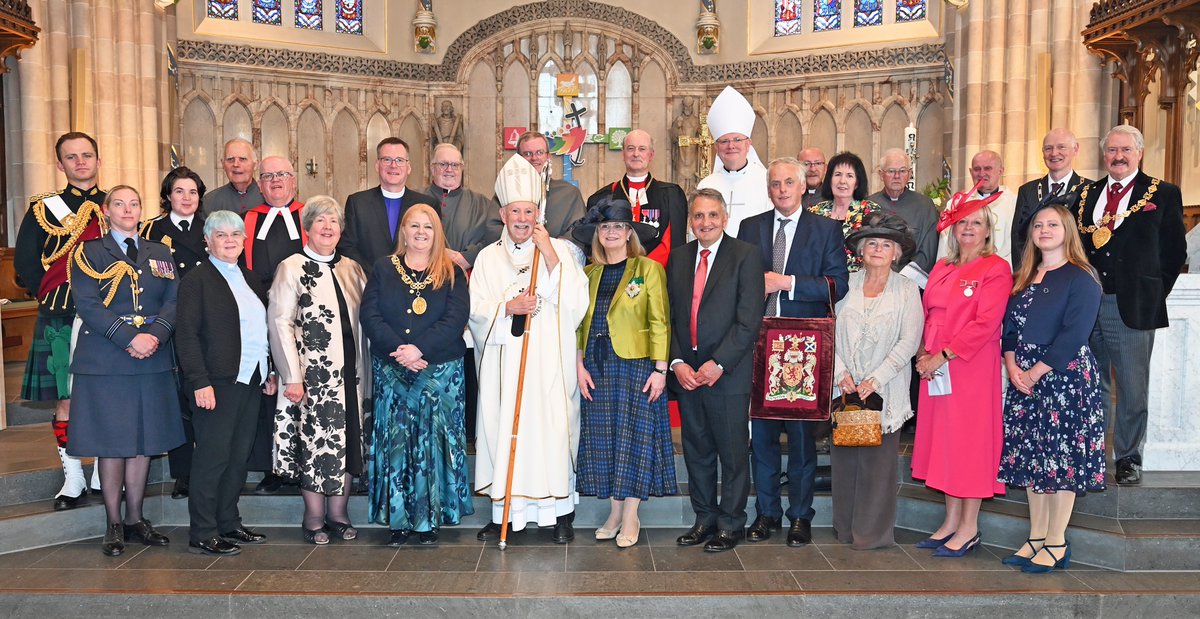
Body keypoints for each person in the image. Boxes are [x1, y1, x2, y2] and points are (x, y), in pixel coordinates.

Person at [470, 155, 589, 544]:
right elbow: (475, 310)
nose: (522, 218)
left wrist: (550, 255)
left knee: (551, 434)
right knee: (505, 433)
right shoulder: (488, 258)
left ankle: (561, 515)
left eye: (529, 211)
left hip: (549, 366)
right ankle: (504, 513)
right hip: (506, 365)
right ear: (503, 214)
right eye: (515, 211)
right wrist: (509, 307)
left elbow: (577, 304)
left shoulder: (560, 252)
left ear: (539, 214)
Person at [737, 158, 849, 548]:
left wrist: (786, 283)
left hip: (803, 346)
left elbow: (836, 284)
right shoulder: (750, 228)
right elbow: (738, 282)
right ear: (768, 189)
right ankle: (766, 513)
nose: (782, 190)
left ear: (803, 187)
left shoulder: (826, 229)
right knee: (762, 438)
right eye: (775, 183)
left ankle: (800, 515)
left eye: (789, 182)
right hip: (760, 343)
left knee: (802, 440)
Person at [67, 185, 184, 556]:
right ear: (106, 210)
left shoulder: (159, 251)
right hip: (107, 358)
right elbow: (87, 303)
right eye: (119, 204)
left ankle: (135, 518)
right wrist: (129, 338)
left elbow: (173, 300)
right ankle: (113, 523)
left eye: (134, 203)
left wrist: (155, 336)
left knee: (144, 441)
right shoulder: (88, 252)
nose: (128, 210)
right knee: (112, 442)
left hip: (152, 356)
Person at [1075, 124, 1186, 485]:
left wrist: (1151, 293)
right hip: (1087, 305)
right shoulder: (1086, 194)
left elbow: (1174, 251)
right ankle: (1092, 452)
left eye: (1125, 150)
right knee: (1091, 383)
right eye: (1112, 150)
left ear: (1139, 153)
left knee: (1132, 386)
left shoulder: (1163, 193)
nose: (1118, 156)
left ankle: (1127, 457)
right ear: (1103, 154)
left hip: (1133, 306)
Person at [997, 203, 1105, 573]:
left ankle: (1057, 541)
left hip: (1064, 378)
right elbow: (1009, 330)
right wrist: (1013, 366)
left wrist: (1035, 372)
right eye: (1038, 225)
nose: (1044, 230)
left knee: (1061, 461)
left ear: (1067, 231)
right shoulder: (1024, 275)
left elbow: (1075, 334)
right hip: (1024, 378)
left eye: (1053, 224)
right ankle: (1036, 536)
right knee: (1033, 459)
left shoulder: (1081, 277)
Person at [361, 204, 473, 547]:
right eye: (415, 226)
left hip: (439, 370)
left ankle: (429, 520)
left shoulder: (452, 272)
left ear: (437, 233)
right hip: (393, 367)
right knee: (397, 443)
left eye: (428, 226)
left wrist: (419, 349)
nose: (421, 232)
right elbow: (370, 315)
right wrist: (401, 350)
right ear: (403, 231)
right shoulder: (383, 268)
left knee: (433, 444)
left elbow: (456, 318)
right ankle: (398, 520)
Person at [911, 189, 1012, 557]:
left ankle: (969, 527)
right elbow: (928, 313)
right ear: (953, 229)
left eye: (977, 223)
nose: (969, 228)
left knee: (969, 444)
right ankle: (951, 521)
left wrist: (942, 355)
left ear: (987, 231)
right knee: (945, 442)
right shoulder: (942, 267)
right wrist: (923, 353)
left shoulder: (996, 268)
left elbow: (986, 322)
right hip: (935, 368)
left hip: (969, 366)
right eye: (963, 222)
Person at [571, 194, 676, 548]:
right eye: (605, 227)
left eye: (619, 226)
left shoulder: (648, 270)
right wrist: (579, 364)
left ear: (630, 232)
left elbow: (660, 320)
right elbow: (578, 325)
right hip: (597, 369)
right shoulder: (588, 274)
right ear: (597, 234)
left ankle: (631, 515)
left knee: (634, 439)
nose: (611, 232)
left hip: (637, 366)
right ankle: (614, 513)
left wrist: (660, 369)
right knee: (606, 441)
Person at [668, 188, 765, 553]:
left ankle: (730, 523)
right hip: (688, 376)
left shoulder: (745, 256)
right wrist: (677, 362)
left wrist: (719, 363)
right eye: (698, 216)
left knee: (733, 454)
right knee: (697, 453)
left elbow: (748, 320)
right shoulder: (679, 258)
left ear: (725, 218)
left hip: (727, 374)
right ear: (690, 222)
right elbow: (669, 316)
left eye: (712, 215)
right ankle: (704, 519)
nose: (705, 222)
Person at [267, 196, 369, 544]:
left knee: (347, 443)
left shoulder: (352, 269)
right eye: (320, 221)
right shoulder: (291, 267)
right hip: (311, 377)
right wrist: (291, 376)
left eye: (333, 221)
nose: (328, 227)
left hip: (351, 375)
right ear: (307, 228)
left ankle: (339, 515)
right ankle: (313, 518)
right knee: (314, 442)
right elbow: (280, 322)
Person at [14, 131, 105, 511]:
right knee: (66, 398)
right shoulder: (44, 208)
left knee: (106, 395)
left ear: (98, 160)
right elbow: (25, 262)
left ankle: (102, 471)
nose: (80, 162)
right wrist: (53, 294)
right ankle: (73, 476)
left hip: (107, 314)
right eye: (72, 157)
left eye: (86, 155)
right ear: (60, 164)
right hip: (60, 314)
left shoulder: (115, 204)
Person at [175, 210, 275, 556]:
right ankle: (203, 531)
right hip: (215, 384)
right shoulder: (196, 280)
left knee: (237, 456)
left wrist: (268, 370)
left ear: (244, 240)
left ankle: (228, 523)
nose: (229, 240)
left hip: (250, 379)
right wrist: (198, 381)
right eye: (221, 235)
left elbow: (260, 329)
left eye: (235, 234)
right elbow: (186, 336)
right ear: (207, 241)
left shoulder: (249, 277)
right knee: (213, 458)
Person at [832, 211, 923, 550]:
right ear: (861, 250)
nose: (878, 250)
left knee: (877, 465)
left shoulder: (907, 289)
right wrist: (841, 373)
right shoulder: (846, 283)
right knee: (845, 462)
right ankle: (844, 529)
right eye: (872, 243)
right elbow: (829, 329)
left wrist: (875, 379)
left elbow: (909, 341)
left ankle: (870, 535)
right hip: (845, 389)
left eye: (886, 245)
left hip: (885, 389)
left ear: (896, 252)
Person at [139, 167, 209, 501]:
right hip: (170, 323)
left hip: (208, 323)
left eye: (193, 192)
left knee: (207, 398)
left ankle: (210, 469)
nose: (186, 198)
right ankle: (184, 473)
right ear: (168, 195)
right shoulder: (151, 230)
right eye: (179, 191)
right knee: (178, 401)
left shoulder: (212, 227)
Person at [425, 142, 502, 443]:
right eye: (442, 165)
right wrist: (438, 253)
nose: (449, 170)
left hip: (469, 285)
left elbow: (495, 238)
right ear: (431, 168)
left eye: (454, 165)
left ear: (462, 168)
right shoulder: (418, 200)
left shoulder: (481, 203)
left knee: (470, 359)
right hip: (427, 291)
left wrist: (466, 256)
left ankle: (469, 431)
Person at [241, 156, 307, 494]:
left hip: (306, 316)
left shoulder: (309, 215)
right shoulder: (248, 219)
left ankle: (307, 461)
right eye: (268, 176)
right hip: (263, 313)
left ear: (294, 180)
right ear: (260, 184)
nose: (276, 180)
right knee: (269, 389)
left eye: (282, 174)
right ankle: (273, 467)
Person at [582, 129, 687, 266]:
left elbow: (672, 242)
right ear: (623, 154)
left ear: (651, 155)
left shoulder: (671, 195)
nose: (636, 154)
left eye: (642, 149)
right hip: (614, 270)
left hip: (657, 272)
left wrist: (643, 269)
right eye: (630, 149)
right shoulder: (601, 197)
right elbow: (596, 244)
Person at [339, 137, 437, 278]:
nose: (393, 165)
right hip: (369, 281)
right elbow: (347, 247)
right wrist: (376, 274)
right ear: (377, 165)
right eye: (387, 159)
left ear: (408, 167)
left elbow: (435, 247)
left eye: (399, 160)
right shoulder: (358, 203)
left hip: (414, 282)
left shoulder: (427, 205)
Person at [1012, 129, 1090, 271]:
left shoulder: (1089, 189)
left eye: (1061, 147)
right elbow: (1019, 237)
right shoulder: (1027, 190)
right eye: (1048, 148)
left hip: (1076, 271)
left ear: (1075, 149)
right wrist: (1022, 275)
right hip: (1035, 271)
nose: (1054, 153)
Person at [696, 86, 771, 236]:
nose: (731, 146)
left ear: (748, 144)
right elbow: (696, 230)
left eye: (737, 139)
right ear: (716, 147)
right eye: (724, 141)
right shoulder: (706, 185)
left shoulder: (766, 180)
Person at [489, 131, 586, 239]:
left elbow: (578, 233)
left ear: (548, 157)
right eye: (527, 154)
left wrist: (548, 245)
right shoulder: (506, 192)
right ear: (519, 158)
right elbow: (492, 231)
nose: (534, 158)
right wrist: (525, 243)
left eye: (539, 152)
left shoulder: (569, 193)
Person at [937, 150, 1017, 266]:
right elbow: (946, 242)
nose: (982, 173)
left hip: (1001, 270)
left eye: (988, 168)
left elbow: (1016, 246)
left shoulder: (1014, 203)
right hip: (962, 269)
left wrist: (997, 268)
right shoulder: (957, 203)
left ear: (1001, 171)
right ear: (971, 172)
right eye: (977, 169)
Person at [867, 148, 939, 275]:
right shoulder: (868, 204)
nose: (897, 176)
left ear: (910, 174)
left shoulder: (925, 206)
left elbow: (928, 252)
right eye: (891, 171)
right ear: (881, 174)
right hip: (874, 276)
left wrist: (903, 278)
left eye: (902, 171)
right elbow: (863, 247)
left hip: (911, 280)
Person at [808, 152, 881, 272]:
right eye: (837, 174)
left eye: (849, 176)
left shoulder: (869, 211)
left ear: (857, 183)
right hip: (819, 279)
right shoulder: (814, 212)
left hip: (857, 279)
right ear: (829, 180)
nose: (842, 181)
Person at [204, 138, 264, 215]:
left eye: (242, 159)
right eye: (230, 159)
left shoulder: (268, 198)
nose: (236, 164)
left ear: (255, 164)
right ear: (223, 164)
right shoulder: (209, 201)